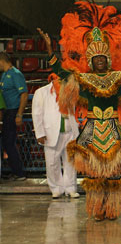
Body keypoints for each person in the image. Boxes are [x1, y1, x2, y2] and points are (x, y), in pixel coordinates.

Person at [37, 1, 121, 221]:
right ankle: (98, 209)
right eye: (95, 60)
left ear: (107, 60)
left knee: (113, 173)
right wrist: (50, 51)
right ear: (91, 61)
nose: (99, 63)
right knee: (95, 173)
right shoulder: (83, 80)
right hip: (92, 131)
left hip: (113, 129)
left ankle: (112, 208)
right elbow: (62, 73)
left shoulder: (120, 77)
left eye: (102, 59)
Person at [32, 81, 80, 198]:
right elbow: (37, 114)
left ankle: (71, 188)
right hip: (50, 132)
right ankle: (56, 189)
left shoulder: (71, 90)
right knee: (52, 163)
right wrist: (40, 133)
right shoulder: (41, 92)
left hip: (70, 131)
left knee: (71, 162)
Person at [0, 52, 28, 181]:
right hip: (6, 112)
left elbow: (24, 94)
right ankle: (15, 171)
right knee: (7, 142)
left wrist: (19, 114)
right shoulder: (4, 75)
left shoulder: (16, 74)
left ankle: (19, 173)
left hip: (13, 112)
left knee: (9, 143)